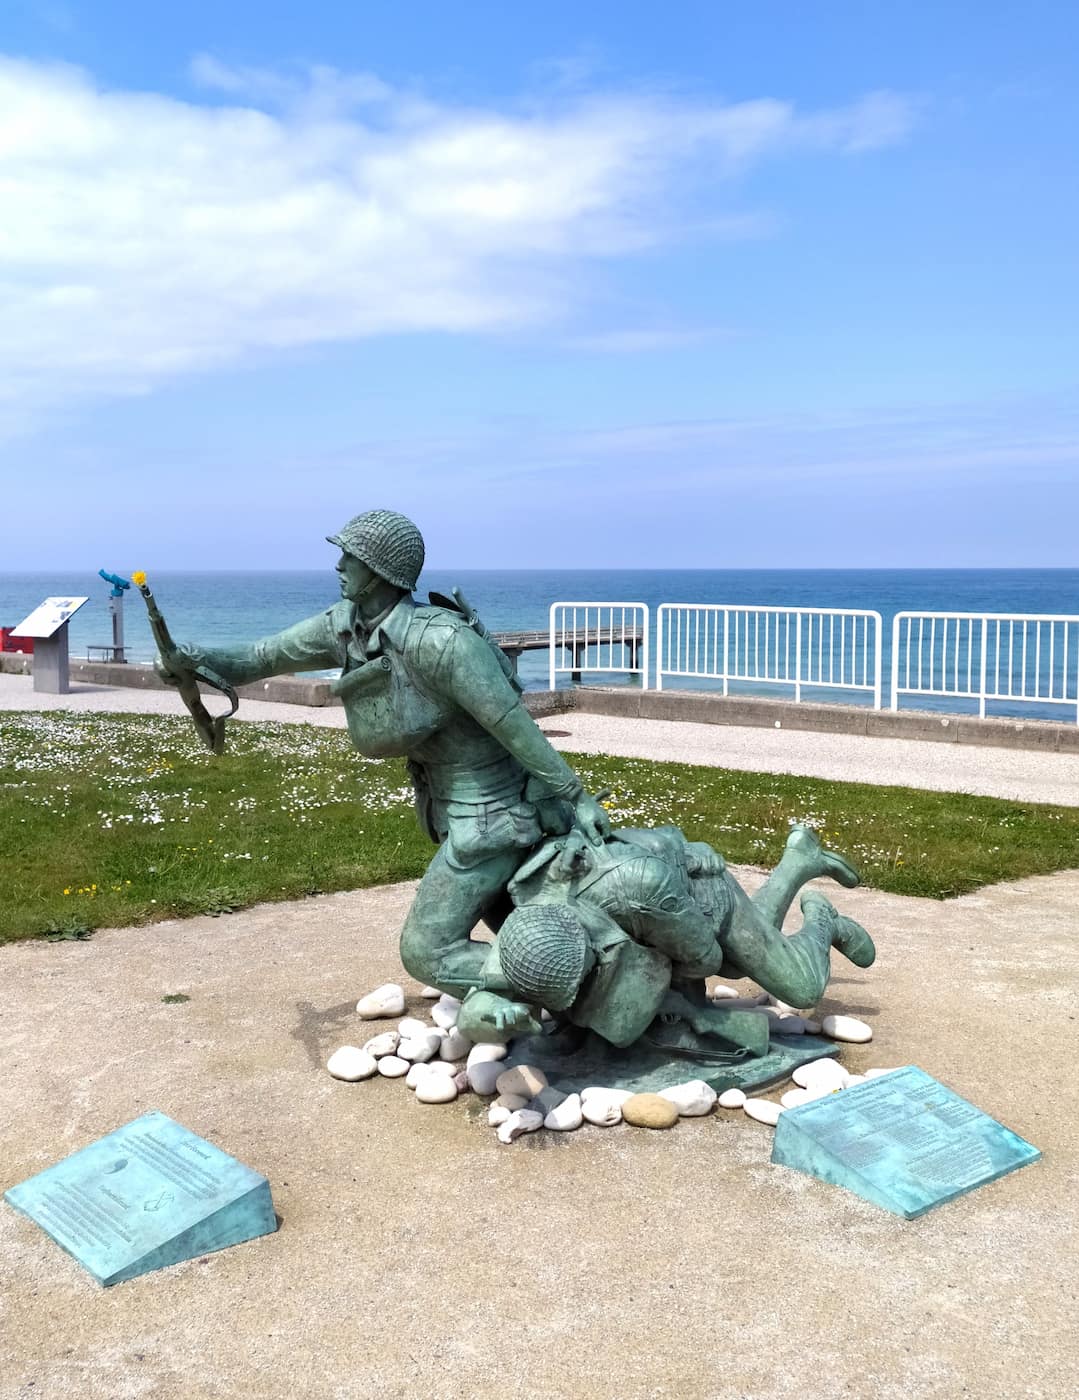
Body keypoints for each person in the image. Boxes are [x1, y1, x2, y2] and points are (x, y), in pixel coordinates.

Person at [157, 509, 609, 1008]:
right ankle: (558, 994)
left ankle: (589, 990)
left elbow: (515, 726)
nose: (338, 565)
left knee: (428, 952)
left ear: (377, 569)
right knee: (512, 924)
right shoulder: (346, 625)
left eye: (348, 555)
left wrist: (577, 797)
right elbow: (264, 656)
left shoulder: (442, 641)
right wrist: (193, 659)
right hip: (452, 814)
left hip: (494, 817)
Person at [455, 822, 875, 1052]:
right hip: (650, 925)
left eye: (590, 977)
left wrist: (657, 998)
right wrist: (496, 1017)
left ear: (593, 940)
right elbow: (475, 1008)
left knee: (796, 984)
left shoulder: (640, 888)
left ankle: (823, 918)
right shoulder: (529, 929)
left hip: (697, 896)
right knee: (743, 955)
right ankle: (800, 859)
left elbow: (704, 961)